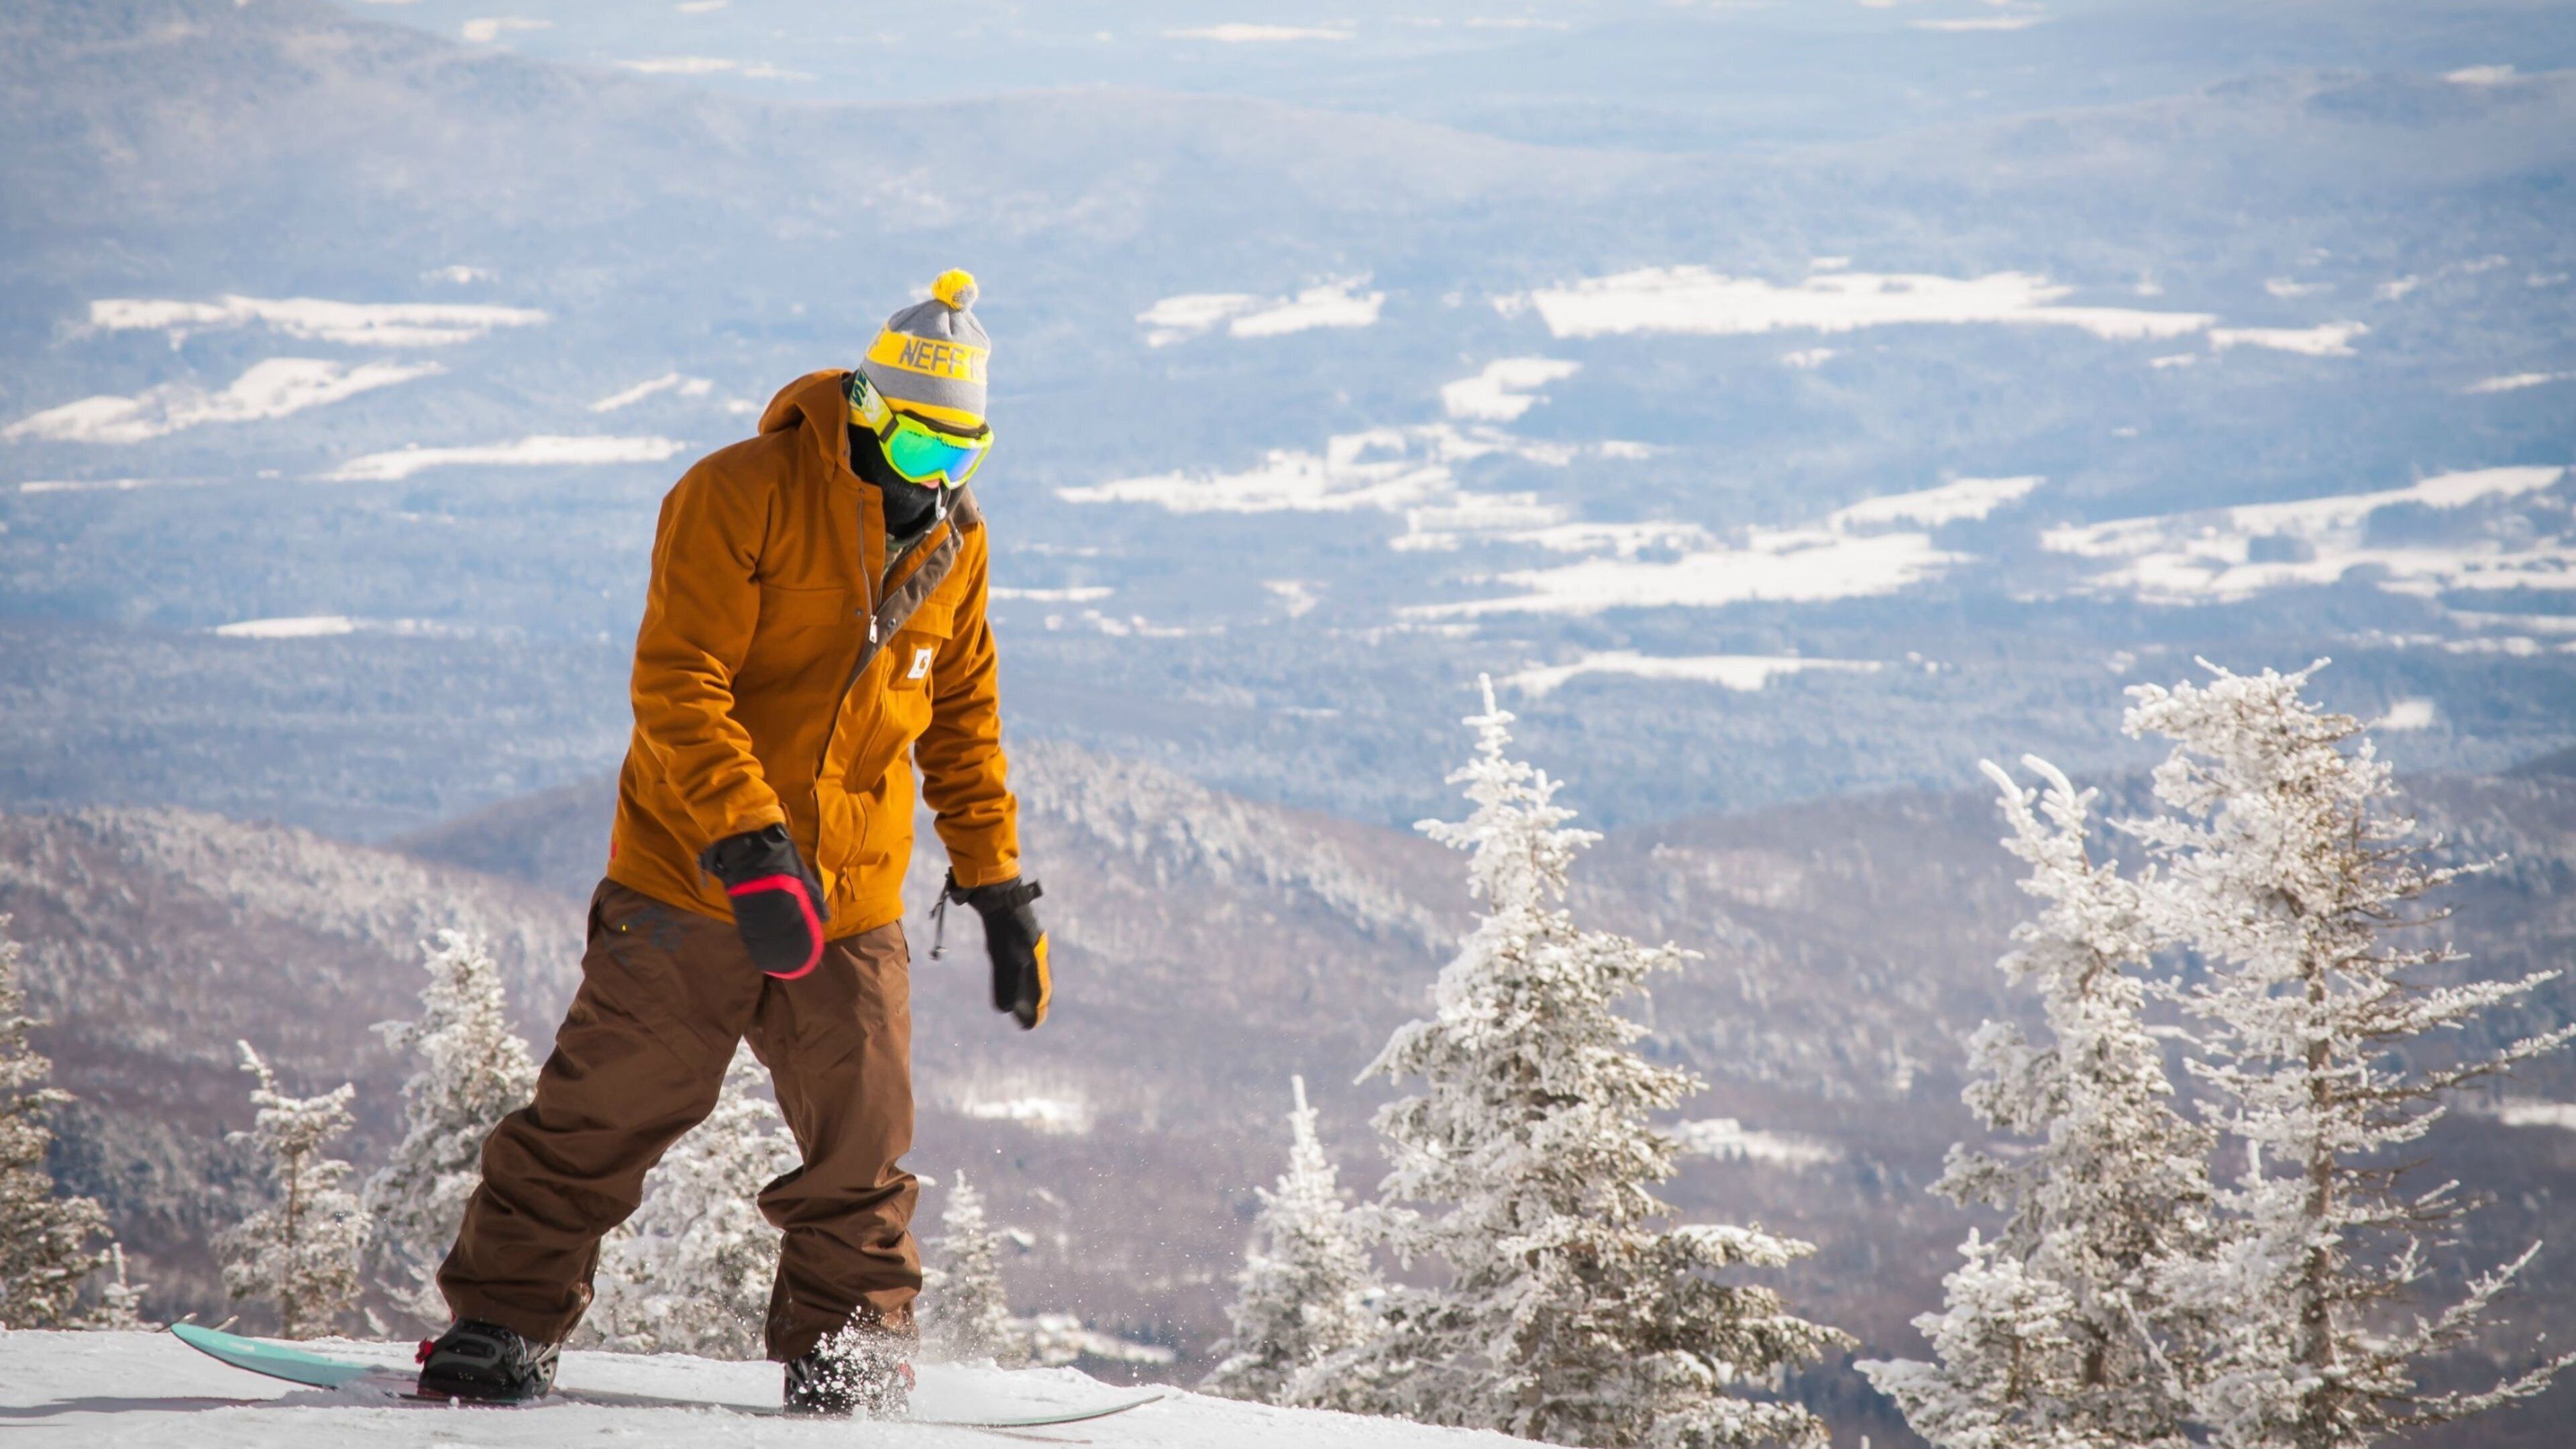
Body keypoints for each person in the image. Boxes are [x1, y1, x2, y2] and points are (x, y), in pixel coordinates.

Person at [417, 270, 1050, 1417]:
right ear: (866, 409)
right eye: (918, 451)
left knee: (861, 1149)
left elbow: (963, 722)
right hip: (691, 882)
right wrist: (748, 845)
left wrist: (998, 885)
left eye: (965, 455)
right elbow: (679, 683)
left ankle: (846, 1353)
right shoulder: (738, 494)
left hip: (851, 900)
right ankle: (501, 1324)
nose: (940, 480)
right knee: (601, 1117)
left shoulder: (955, 543)